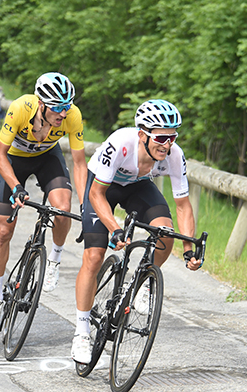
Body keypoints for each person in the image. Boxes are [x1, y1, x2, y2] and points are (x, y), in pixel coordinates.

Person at [70, 99, 202, 364]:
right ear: (142, 134)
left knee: (165, 232)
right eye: (161, 138)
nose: (167, 145)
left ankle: (142, 283)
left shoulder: (174, 155)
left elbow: (183, 205)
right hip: (103, 186)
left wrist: (188, 250)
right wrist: (116, 229)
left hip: (138, 185)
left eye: (172, 137)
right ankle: (82, 333)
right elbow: (96, 194)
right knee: (94, 256)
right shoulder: (120, 143)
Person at [0, 72, 88, 330]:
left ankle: (54, 259)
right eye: (58, 108)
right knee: (3, 230)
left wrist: (87, 206)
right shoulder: (20, 108)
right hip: (13, 161)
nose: (63, 114)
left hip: (47, 158)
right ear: (41, 103)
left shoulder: (72, 116)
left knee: (63, 209)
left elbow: (79, 163)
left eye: (67, 106)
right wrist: (17, 187)